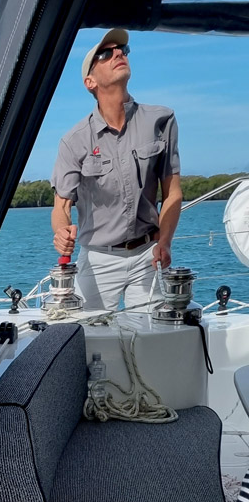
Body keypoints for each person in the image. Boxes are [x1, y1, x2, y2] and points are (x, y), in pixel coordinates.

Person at [50, 27, 183, 313]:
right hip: (98, 260)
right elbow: (61, 207)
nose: (119, 54)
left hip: (148, 253)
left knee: (150, 340)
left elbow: (172, 194)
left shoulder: (162, 120)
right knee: (89, 339)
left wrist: (166, 241)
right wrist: (62, 233)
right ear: (90, 82)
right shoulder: (74, 141)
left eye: (122, 50)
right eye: (106, 54)